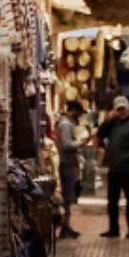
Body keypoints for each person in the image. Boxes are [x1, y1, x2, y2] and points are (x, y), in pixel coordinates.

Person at [95, 95, 129, 238]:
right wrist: (108, 120)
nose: (121, 112)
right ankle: (113, 229)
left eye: (123, 109)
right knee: (112, 200)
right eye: (119, 110)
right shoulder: (113, 123)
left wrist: (127, 156)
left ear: (128, 108)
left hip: (128, 168)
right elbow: (101, 134)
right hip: (114, 167)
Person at [55, 101, 85, 239]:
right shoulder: (66, 124)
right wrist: (81, 143)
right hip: (67, 164)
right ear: (73, 110)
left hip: (68, 163)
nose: (79, 115)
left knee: (68, 197)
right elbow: (66, 144)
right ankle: (64, 227)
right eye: (78, 112)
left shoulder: (65, 123)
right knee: (67, 197)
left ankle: (66, 226)